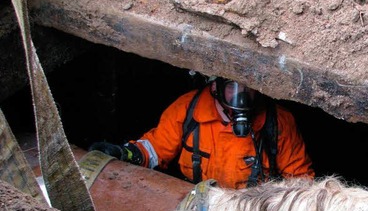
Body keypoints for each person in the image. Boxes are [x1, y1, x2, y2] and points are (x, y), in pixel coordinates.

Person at [90, 76, 314, 188]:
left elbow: (300, 180)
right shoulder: (189, 109)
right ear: (215, 87)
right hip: (196, 207)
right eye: (232, 88)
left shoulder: (278, 121)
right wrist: (125, 153)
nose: (242, 97)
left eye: (249, 88)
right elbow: (157, 149)